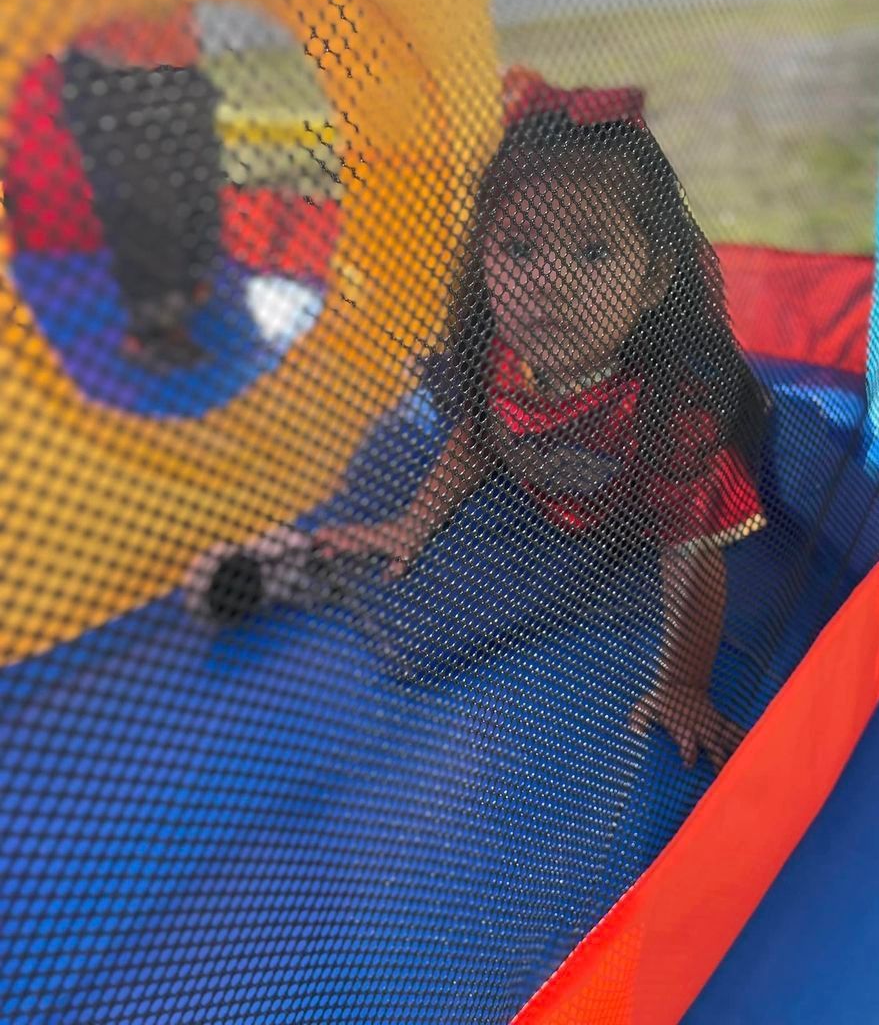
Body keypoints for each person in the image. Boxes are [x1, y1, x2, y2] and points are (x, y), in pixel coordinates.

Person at [183, 100, 768, 773]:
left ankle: (312, 571)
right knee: (390, 470)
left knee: (462, 607)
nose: (549, 282)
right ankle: (299, 552)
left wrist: (685, 685)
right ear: (483, 260)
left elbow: (691, 555)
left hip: (607, 534)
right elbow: (484, 432)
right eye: (519, 249)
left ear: (653, 280)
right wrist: (413, 522)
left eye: (593, 252)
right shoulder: (503, 353)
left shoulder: (670, 414)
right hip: (530, 487)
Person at [59, 11, 224, 370]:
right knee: (144, 201)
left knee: (197, 188)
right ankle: (153, 332)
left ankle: (188, 283)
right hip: (111, 73)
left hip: (179, 66)